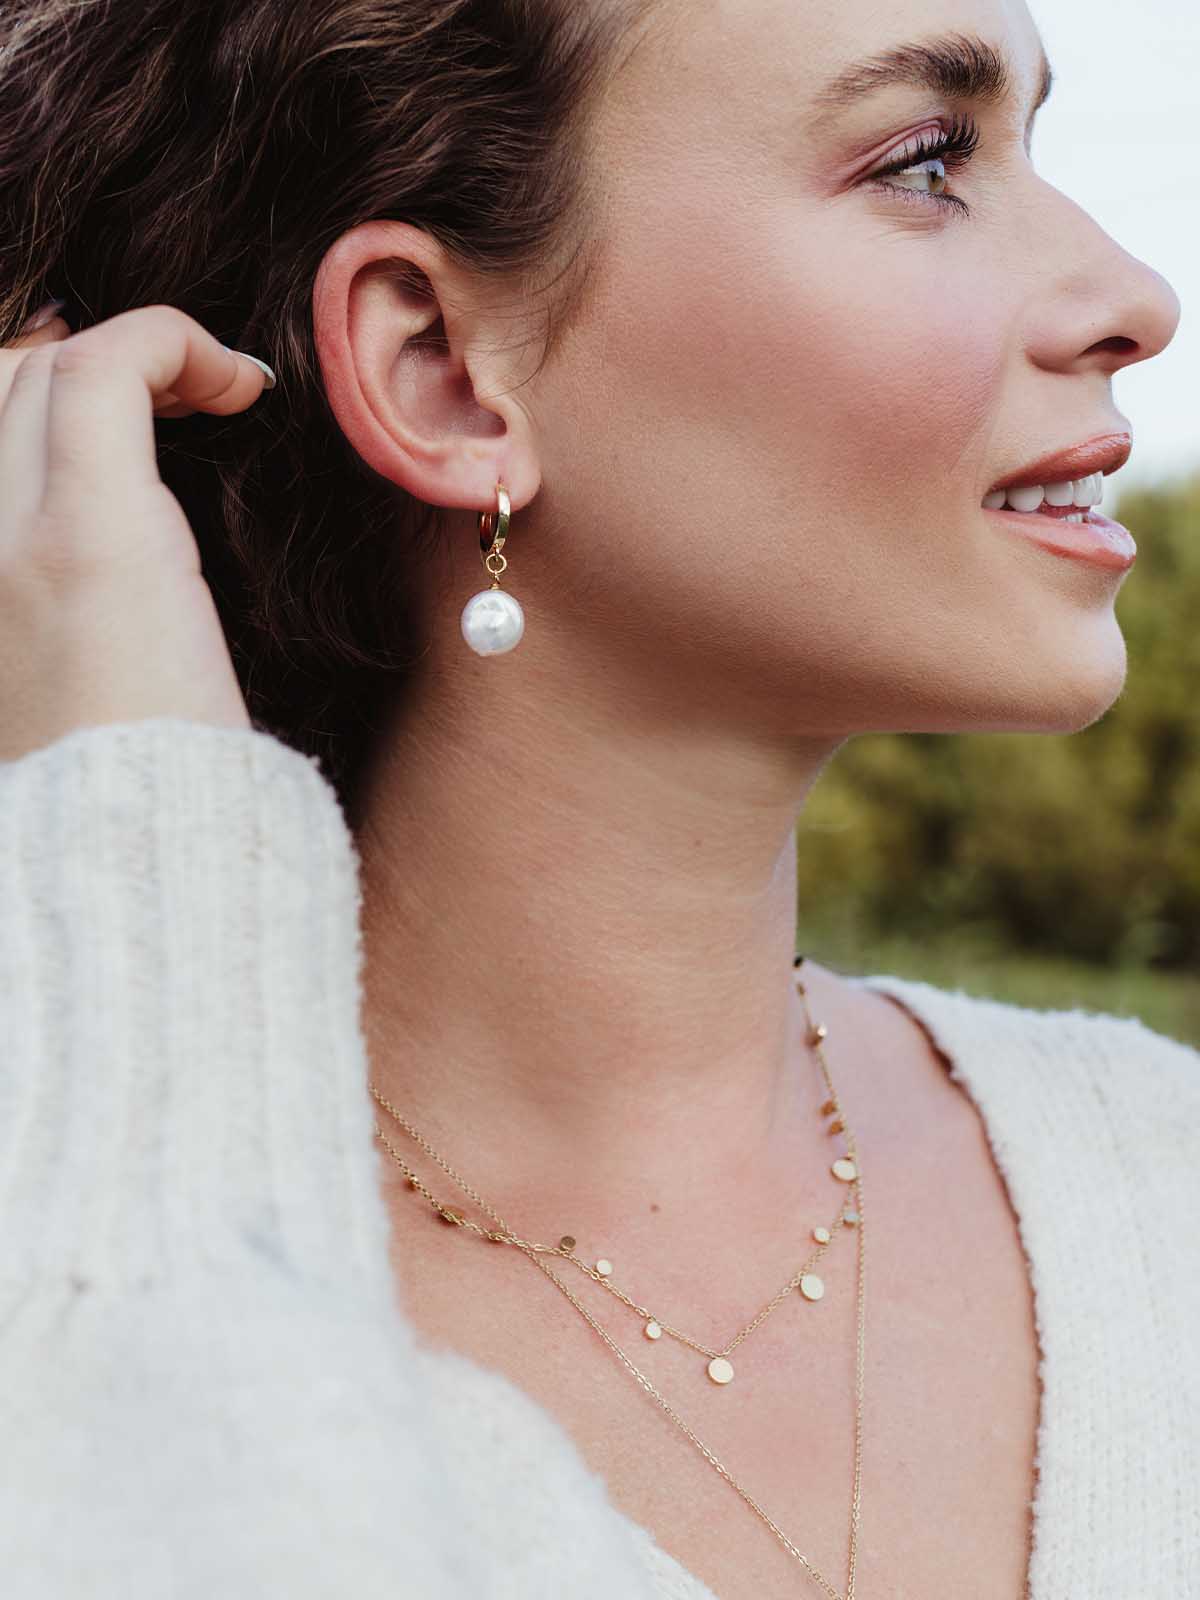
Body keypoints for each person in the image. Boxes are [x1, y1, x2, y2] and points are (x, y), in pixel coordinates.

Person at [0, 0, 1195, 1597]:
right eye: (924, 159)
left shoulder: (1158, 1175)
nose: (1139, 298)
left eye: (1030, 142)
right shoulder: (65, 1262)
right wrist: (131, 831)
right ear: (440, 373)